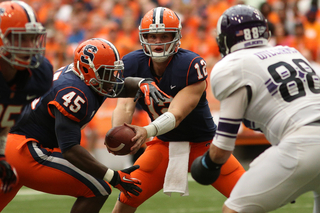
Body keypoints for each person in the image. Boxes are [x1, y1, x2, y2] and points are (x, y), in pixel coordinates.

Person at [0, 38, 168, 213]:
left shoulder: (87, 79)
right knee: (99, 188)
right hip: (25, 151)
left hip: (11, 146)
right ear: (88, 69)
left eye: (114, 72)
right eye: (106, 73)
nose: (112, 79)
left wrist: (143, 84)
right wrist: (113, 176)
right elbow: (70, 150)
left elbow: (121, 86)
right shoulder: (74, 92)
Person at [110, 7, 245, 213]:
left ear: (177, 36)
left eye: (164, 36)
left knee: (247, 198)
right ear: (142, 36)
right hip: (162, 145)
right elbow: (125, 104)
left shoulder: (190, 64)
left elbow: (177, 114)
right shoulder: (132, 63)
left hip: (205, 146)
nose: (158, 42)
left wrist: (145, 131)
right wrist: (118, 135)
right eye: (152, 36)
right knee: (125, 200)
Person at [191, 4, 320, 213]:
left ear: (226, 39)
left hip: (302, 143)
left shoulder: (233, 65)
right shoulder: (292, 53)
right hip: (304, 137)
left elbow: (222, 149)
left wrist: (206, 165)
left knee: (234, 210)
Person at [0, 1, 53, 194]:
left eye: (32, 38)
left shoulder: (39, 76)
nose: (30, 47)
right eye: (21, 39)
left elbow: (4, 118)